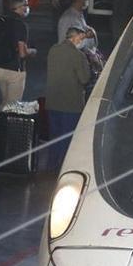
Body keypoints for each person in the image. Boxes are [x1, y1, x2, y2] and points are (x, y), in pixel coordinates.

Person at [46, 28, 91, 171]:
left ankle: (51, 165)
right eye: (81, 38)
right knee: (67, 138)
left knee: (54, 136)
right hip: (71, 104)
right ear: (74, 38)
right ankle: (63, 168)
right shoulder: (78, 55)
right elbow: (84, 78)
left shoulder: (53, 50)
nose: (82, 41)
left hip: (53, 101)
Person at [0, 0, 36, 109]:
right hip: (15, 71)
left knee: (5, 102)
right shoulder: (21, 25)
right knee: (13, 106)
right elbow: (22, 53)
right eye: (26, 5)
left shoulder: (1, 21)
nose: (27, 7)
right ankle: (3, 126)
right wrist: (32, 51)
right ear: (19, 7)